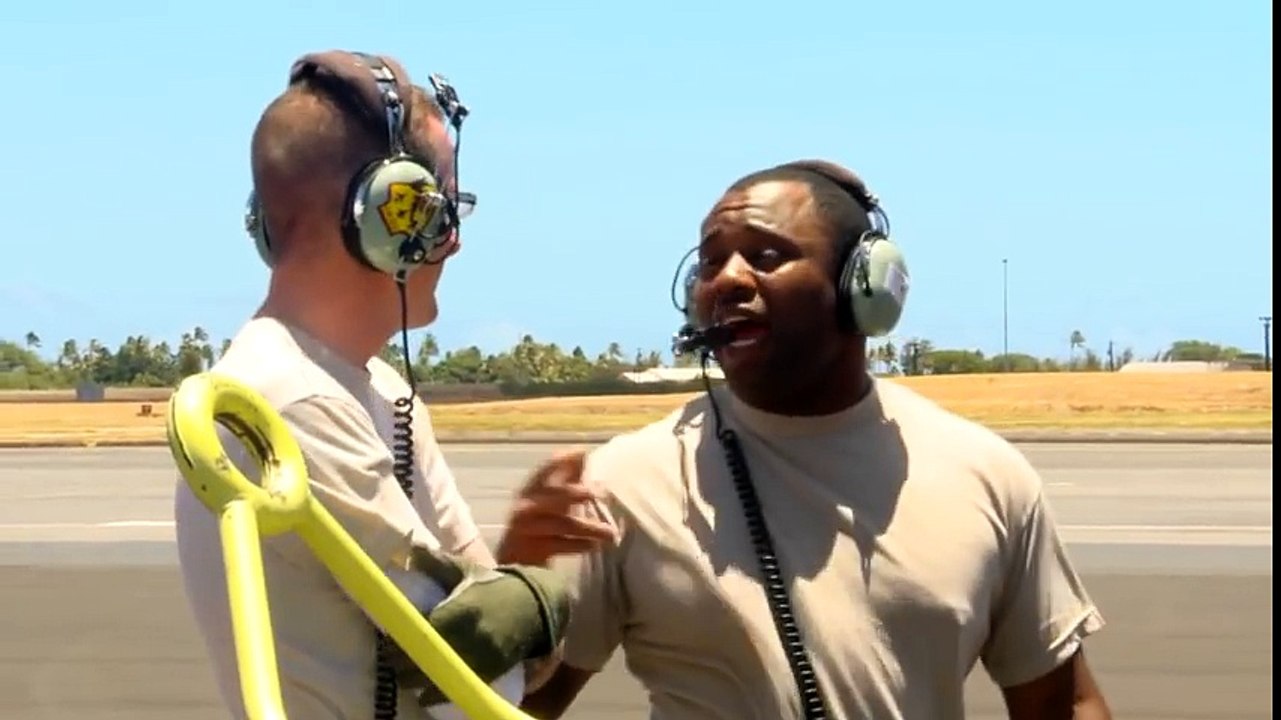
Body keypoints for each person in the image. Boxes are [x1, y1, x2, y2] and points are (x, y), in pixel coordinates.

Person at [505, 160, 1113, 719]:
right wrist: (513, 583)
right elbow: (513, 706)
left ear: (864, 287)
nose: (727, 280)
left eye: (767, 255)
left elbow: (1062, 704)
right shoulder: (624, 482)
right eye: (711, 262)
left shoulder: (987, 475)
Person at [172, 50, 585, 720]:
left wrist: (514, 608)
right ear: (389, 214)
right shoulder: (287, 400)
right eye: (438, 208)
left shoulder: (382, 393)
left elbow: (486, 619)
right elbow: (479, 676)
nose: (449, 241)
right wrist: (541, 603)